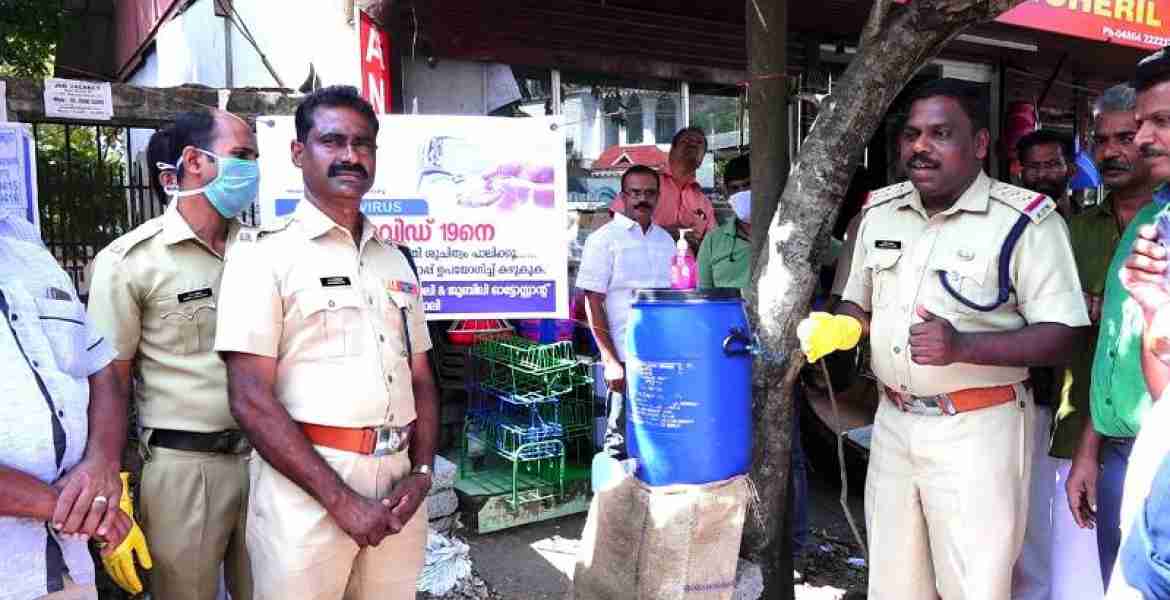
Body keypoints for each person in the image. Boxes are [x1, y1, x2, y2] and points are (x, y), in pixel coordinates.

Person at [798, 77, 1090, 600]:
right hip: (892, 423)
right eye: (911, 134)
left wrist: (965, 347)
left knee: (973, 585)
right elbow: (855, 303)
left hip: (979, 427)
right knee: (894, 585)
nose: (920, 147)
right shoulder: (878, 213)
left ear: (978, 144)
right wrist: (840, 324)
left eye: (939, 133)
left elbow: (1064, 336)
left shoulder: (1024, 223)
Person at [214, 85, 440, 600]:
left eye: (363, 144)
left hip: (397, 488)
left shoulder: (394, 259)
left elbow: (422, 377)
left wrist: (423, 471)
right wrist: (340, 500)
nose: (350, 156)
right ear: (298, 152)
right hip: (307, 493)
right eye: (332, 141)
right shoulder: (263, 257)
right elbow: (249, 397)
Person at [87, 110, 260, 600]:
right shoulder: (129, 262)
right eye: (241, 156)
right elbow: (110, 381)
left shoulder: (264, 251)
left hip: (269, 459)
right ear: (193, 162)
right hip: (184, 469)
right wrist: (109, 475)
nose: (252, 170)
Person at [0, 212, 150, 599]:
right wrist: (74, 509)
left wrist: (103, 463)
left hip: (66, 563)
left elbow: (98, 367)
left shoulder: (23, 241)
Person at [1065, 54, 1170, 590]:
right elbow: (1123, 355)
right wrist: (1091, 446)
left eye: (1159, 123)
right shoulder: (1153, 225)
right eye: (1137, 127)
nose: (1139, 140)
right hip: (1129, 452)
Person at [1011, 127, 1099, 600]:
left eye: (1053, 164)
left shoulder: (1083, 226)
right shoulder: (1007, 228)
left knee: (1061, 510)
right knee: (1021, 511)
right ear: (1018, 170)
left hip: (1073, 393)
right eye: (1036, 166)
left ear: (1069, 169)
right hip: (1024, 386)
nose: (1044, 174)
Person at [578, 164, 675, 458]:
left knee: (658, 442)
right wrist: (610, 361)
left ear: (658, 197)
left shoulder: (667, 241)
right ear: (623, 196)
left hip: (661, 359)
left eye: (649, 193)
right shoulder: (604, 239)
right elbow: (592, 301)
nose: (641, 199)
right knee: (619, 446)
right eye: (634, 193)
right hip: (623, 356)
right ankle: (614, 503)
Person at [610, 127, 717, 253]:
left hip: (687, 268)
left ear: (702, 159)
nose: (693, 144)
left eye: (699, 143)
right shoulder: (646, 184)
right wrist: (664, 234)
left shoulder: (704, 202)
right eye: (686, 141)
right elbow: (616, 226)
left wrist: (697, 245)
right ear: (672, 151)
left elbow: (714, 244)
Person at [697, 154, 751, 290]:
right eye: (735, 188)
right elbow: (704, 293)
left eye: (747, 185)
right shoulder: (712, 241)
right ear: (727, 194)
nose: (742, 193)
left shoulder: (781, 234)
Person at [1018, 129, 1077, 217]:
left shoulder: (1085, 222)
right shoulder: (1009, 221)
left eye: (1051, 165)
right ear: (1022, 173)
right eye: (1033, 166)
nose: (1042, 174)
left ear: (1071, 169)